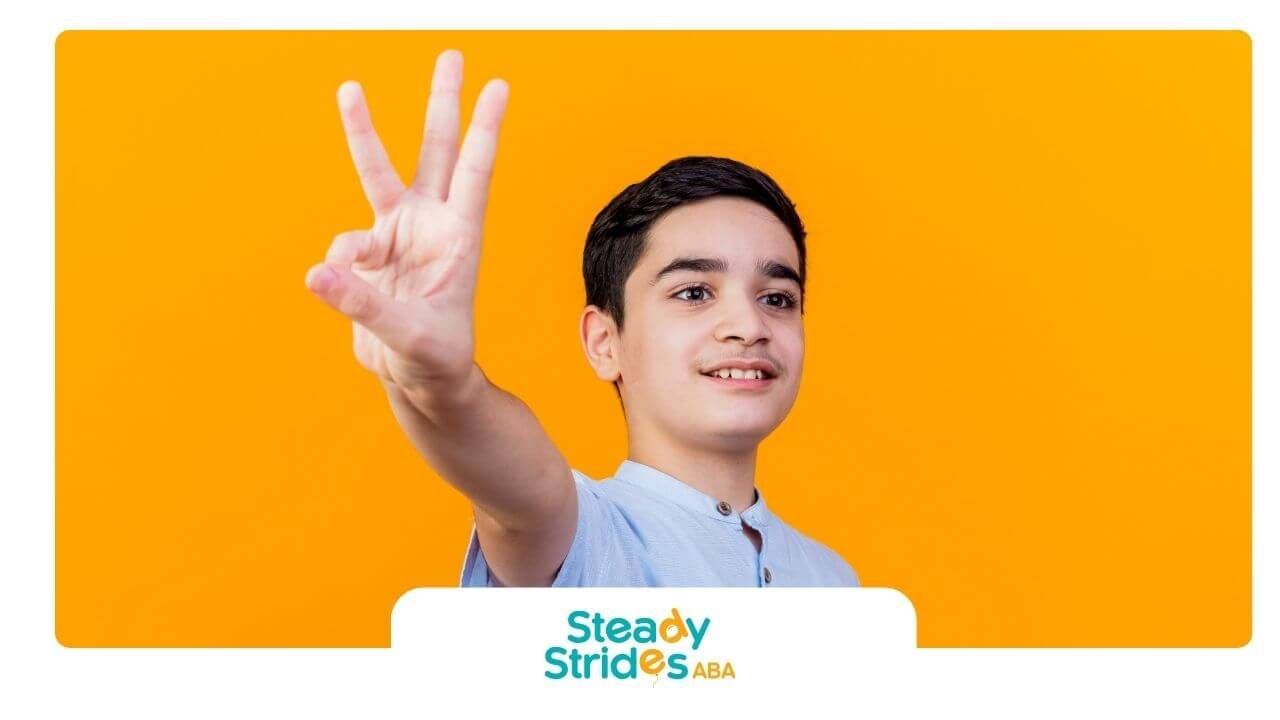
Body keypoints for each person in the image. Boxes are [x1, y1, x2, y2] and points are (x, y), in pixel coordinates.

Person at [305, 49, 859, 588]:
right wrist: (440, 381)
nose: (748, 324)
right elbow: (523, 494)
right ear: (603, 341)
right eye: (693, 292)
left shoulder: (837, 584)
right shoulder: (582, 540)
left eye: (778, 298)